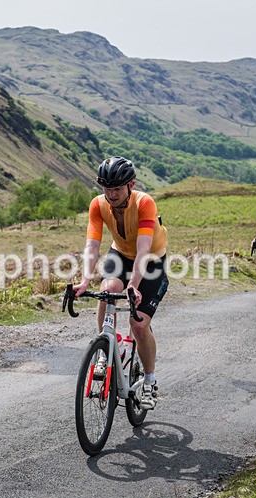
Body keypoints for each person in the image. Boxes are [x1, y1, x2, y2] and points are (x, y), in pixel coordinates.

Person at [73, 156, 168, 410]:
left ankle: (149, 380)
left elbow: (144, 250)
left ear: (131, 186)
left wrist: (134, 286)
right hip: (120, 254)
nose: (111, 194)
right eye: (107, 188)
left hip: (151, 261)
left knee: (138, 325)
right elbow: (92, 245)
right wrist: (84, 280)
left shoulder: (144, 203)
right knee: (107, 292)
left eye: (117, 188)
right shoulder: (98, 205)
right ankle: (105, 348)